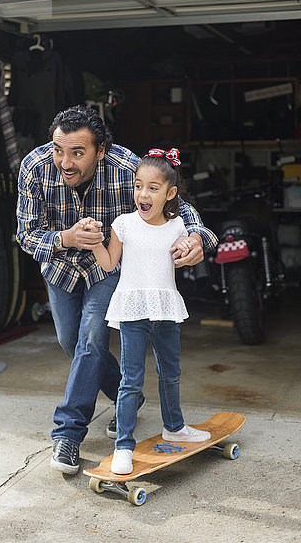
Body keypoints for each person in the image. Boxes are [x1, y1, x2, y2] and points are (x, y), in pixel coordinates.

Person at [16, 106, 217, 475]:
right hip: (60, 266)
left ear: (101, 150)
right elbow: (26, 234)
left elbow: (181, 208)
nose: (65, 161)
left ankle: (68, 434)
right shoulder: (34, 167)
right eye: (59, 149)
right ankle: (131, 395)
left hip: (106, 265)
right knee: (71, 343)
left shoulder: (128, 169)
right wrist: (66, 237)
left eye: (78, 153)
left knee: (92, 339)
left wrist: (197, 238)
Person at [83, 147, 212, 474]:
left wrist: (187, 246)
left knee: (171, 372)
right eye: (139, 185)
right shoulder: (124, 224)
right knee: (131, 380)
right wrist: (95, 240)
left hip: (165, 308)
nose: (143, 193)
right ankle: (123, 444)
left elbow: (189, 248)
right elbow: (110, 263)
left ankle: (175, 426)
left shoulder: (178, 226)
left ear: (170, 194)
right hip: (133, 310)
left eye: (153, 188)